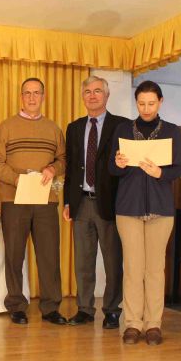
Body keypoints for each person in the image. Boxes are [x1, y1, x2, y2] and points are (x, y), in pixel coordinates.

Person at [109, 80, 181, 345]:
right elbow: (112, 169)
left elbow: (179, 170)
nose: (146, 108)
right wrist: (118, 164)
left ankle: (153, 324)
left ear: (160, 102)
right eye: (141, 103)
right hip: (128, 208)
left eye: (151, 103)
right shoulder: (123, 129)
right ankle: (132, 324)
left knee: (154, 269)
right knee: (132, 268)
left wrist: (160, 173)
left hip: (161, 209)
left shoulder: (172, 131)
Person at [0, 78, 67, 325]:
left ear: (43, 96)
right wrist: (17, 180)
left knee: (49, 255)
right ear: (21, 96)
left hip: (46, 199)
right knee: (14, 254)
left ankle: (50, 307)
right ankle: (16, 305)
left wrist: (52, 168)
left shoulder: (54, 129)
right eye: (27, 93)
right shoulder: (6, 127)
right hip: (14, 199)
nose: (32, 97)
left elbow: (63, 160)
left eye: (36, 93)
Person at [63, 75, 128, 329]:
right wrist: (68, 201)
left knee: (113, 262)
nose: (92, 95)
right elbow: (70, 168)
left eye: (98, 91)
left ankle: (112, 310)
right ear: (83, 96)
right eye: (88, 91)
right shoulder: (75, 127)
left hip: (110, 204)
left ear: (107, 95)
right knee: (83, 261)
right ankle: (85, 309)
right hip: (81, 203)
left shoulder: (121, 125)